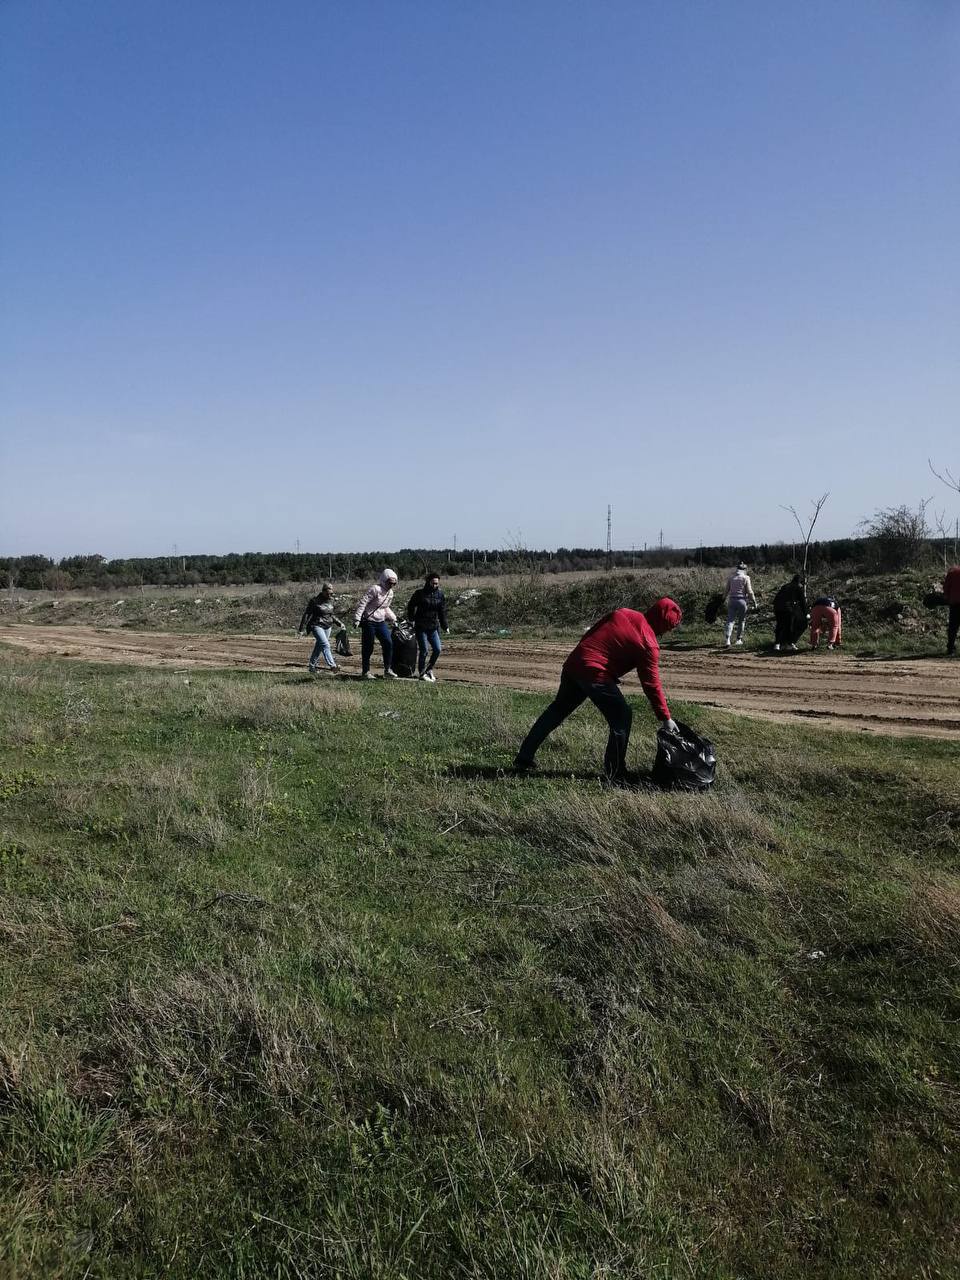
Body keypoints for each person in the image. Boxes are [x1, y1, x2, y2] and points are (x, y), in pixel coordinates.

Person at [513, 599, 683, 782]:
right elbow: (651, 684)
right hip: (595, 674)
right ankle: (615, 772)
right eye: (668, 629)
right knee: (622, 717)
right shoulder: (648, 644)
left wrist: (581, 656)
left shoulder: (624, 612)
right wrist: (665, 718)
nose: (666, 633)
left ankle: (524, 757)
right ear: (663, 626)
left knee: (557, 710)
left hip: (575, 663)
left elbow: (592, 632)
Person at [353, 569, 399, 679]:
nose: (391, 585)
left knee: (388, 643)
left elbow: (385, 607)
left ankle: (388, 670)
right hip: (369, 621)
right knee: (368, 646)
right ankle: (366, 672)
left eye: (394, 583)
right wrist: (357, 618)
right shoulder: (375, 589)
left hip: (381, 621)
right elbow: (363, 603)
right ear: (384, 580)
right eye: (390, 582)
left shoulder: (390, 593)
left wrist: (394, 619)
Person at [406, 571, 449, 681]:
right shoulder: (419, 593)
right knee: (424, 650)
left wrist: (445, 626)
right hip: (421, 626)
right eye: (433, 583)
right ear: (428, 582)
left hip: (433, 626)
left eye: (437, 583)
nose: (435, 585)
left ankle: (429, 669)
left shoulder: (440, 595)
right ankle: (422, 673)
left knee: (437, 649)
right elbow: (411, 606)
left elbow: (442, 611)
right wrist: (411, 619)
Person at [298, 583, 343, 673]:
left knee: (319, 646)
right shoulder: (314, 601)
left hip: (328, 626)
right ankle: (333, 666)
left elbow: (331, 615)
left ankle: (312, 666)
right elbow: (307, 614)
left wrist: (339, 623)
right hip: (316, 625)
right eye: (328, 593)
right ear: (323, 591)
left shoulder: (331, 600)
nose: (330, 595)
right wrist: (301, 629)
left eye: (331, 593)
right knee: (325, 645)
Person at [723, 562, 757, 648]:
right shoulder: (746, 578)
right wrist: (754, 601)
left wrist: (722, 599)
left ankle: (727, 640)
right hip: (742, 601)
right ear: (745, 569)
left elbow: (726, 591)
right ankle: (738, 639)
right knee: (741, 621)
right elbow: (750, 591)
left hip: (732, 601)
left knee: (730, 620)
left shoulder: (731, 578)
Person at [772, 574, 807, 652]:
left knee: (780, 625)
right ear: (800, 582)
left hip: (777, 607)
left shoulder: (785, 586)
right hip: (787, 608)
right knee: (792, 626)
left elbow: (777, 598)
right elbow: (803, 602)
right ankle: (789, 644)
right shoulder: (798, 587)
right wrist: (806, 613)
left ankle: (777, 644)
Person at [944, 563, 960, 656]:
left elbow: (946, 586)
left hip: (954, 603)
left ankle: (950, 649)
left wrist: (947, 597)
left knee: (953, 627)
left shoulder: (952, 571)